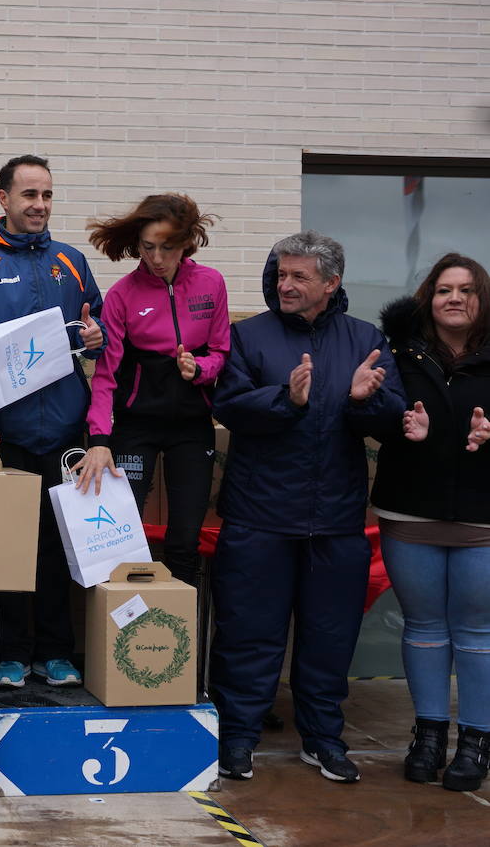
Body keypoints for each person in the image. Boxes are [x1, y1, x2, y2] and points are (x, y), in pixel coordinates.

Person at [211, 231, 404, 785]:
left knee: (328, 638)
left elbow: (391, 421)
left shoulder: (366, 339)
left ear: (331, 282)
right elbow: (228, 404)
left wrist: (361, 401)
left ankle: (323, 740)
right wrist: (286, 399)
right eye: (280, 274)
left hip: (336, 522)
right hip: (258, 518)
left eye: (298, 276)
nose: (284, 284)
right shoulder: (248, 337)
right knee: (249, 636)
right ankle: (238, 740)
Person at [0, 155, 104, 690]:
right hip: (8, 434)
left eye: (46, 195)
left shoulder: (72, 260)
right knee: (11, 547)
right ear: (5, 199)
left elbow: (99, 323)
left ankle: (58, 652)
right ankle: (13, 653)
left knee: (61, 544)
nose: (39, 205)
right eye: (29, 195)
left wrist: (97, 336)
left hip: (65, 430)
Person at [372, 253, 490, 792]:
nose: (455, 299)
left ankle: (475, 743)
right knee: (423, 625)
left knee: (475, 630)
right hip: (410, 507)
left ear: (481, 299)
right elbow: (373, 413)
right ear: (429, 296)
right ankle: (428, 736)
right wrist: (399, 426)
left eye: (467, 290)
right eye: (445, 289)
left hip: (483, 515)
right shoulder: (397, 350)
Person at [75, 194, 229, 587]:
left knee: (184, 539)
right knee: (123, 539)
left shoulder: (211, 283)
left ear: (186, 243)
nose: (157, 258)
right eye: (147, 248)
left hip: (192, 427)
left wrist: (199, 368)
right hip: (136, 426)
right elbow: (106, 376)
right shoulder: (123, 294)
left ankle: (179, 633)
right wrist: (99, 439)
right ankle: (123, 632)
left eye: (167, 248)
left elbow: (221, 353)